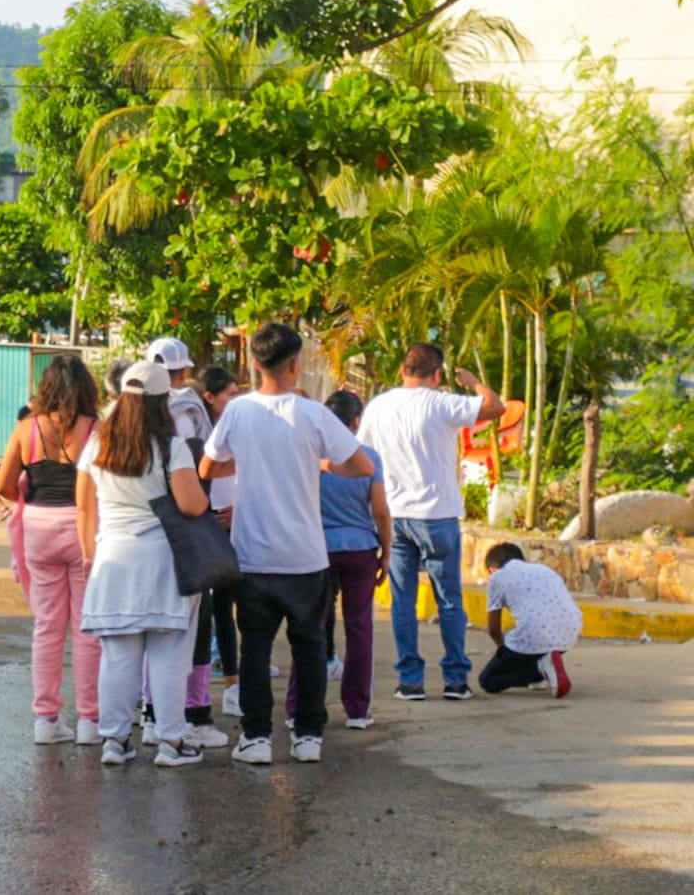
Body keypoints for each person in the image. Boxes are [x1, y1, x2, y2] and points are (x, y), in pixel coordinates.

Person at [200, 322, 374, 766]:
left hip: (254, 556)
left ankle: (257, 737)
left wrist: (249, 465)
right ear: (296, 365)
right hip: (306, 556)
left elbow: (209, 466)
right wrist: (318, 464)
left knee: (255, 649)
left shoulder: (237, 413)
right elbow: (360, 466)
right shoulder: (314, 415)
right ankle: (308, 736)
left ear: (254, 363)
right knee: (310, 646)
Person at [76, 360, 212, 768]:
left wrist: (89, 556)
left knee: (118, 655)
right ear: (160, 402)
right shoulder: (170, 447)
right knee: (169, 654)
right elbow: (191, 505)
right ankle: (171, 743)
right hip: (164, 563)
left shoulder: (97, 444)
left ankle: (115, 742)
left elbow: (84, 507)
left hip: (112, 560)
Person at [357, 343, 503, 702]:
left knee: (402, 600)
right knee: (449, 599)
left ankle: (410, 681)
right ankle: (455, 680)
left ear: (403, 371)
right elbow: (496, 407)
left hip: (395, 514)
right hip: (437, 515)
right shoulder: (442, 403)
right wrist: (473, 383)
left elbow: (363, 458)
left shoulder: (378, 406)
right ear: (437, 375)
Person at [0, 355, 101, 748]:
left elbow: (5, 484)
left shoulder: (28, 428)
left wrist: (26, 492)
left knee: (47, 626)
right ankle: (91, 720)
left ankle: (46, 719)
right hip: (84, 527)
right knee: (86, 628)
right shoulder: (96, 429)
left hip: (38, 528)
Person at [283, 390, 390, 731]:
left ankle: (297, 707)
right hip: (360, 550)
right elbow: (381, 511)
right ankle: (357, 710)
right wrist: (386, 552)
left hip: (317, 550)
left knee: (309, 627)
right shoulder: (369, 458)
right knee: (359, 629)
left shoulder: (311, 458)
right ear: (356, 421)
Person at [150, 339, 233, 750]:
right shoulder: (188, 409)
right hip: (189, 526)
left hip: (144, 535)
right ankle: (195, 713)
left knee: (152, 628)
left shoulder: (126, 420)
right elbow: (197, 479)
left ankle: (150, 715)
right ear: (185, 372)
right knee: (196, 627)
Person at [198, 365, 243, 718]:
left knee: (225, 610)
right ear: (209, 397)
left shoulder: (239, 429)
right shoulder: (199, 432)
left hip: (231, 529)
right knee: (200, 612)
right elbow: (201, 472)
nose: (235, 398)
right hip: (201, 526)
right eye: (229, 393)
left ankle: (231, 683)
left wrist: (237, 512)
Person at [479, 543, 580, 698]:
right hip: (569, 633)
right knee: (529, 647)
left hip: (535, 636)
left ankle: (539, 670)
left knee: (488, 681)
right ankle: (542, 666)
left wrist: (504, 652)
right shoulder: (544, 570)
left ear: (492, 570)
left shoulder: (498, 577)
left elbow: (493, 629)